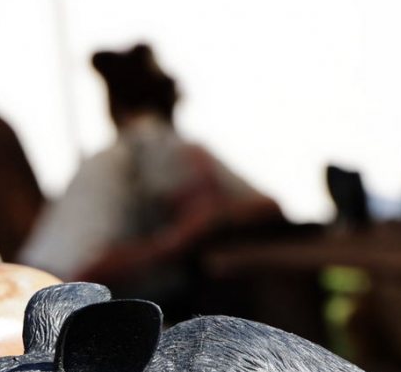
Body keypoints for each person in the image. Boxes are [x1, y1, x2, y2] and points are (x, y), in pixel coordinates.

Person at [20, 44, 281, 302]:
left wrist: (209, 219)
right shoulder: (139, 157)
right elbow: (78, 275)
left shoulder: (146, 154)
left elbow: (265, 207)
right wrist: (180, 238)